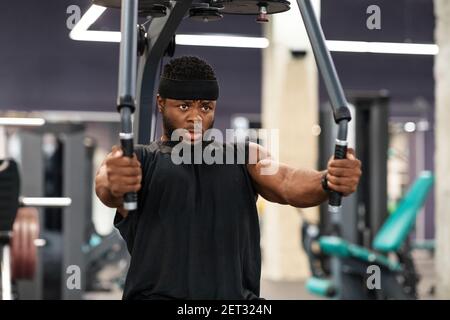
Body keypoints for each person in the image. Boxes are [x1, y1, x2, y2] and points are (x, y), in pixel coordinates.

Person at [95, 56, 362, 300]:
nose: (196, 118)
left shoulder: (244, 156)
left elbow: (286, 182)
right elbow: (107, 183)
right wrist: (114, 179)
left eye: (206, 107)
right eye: (184, 106)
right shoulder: (139, 158)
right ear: (161, 103)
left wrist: (328, 181)